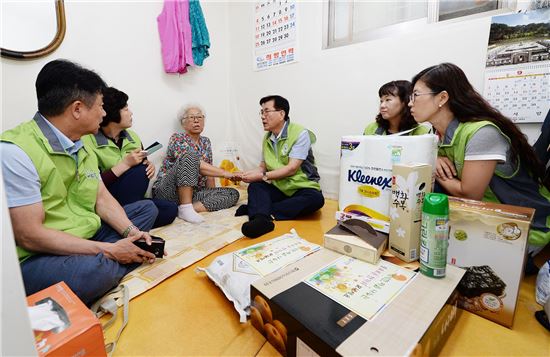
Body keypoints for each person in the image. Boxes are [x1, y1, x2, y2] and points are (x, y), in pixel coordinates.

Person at [0, 59, 161, 306]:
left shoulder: (82, 141)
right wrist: (108, 250)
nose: (105, 113)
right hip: (40, 256)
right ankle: (111, 261)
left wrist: (132, 233)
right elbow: (30, 236)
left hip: (86, 233)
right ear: (77, 109)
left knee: (146, 209)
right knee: (95, 272)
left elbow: (101, 197)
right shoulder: (16, 152)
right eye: (100, 106)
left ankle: (115, 255)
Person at [409, 62, 550, 253]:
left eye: (416, 95)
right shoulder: (433, 134)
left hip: (522, 228)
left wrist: (432, 164)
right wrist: (433, 156)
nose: (410, 103)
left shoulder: (481, 132)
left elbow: (470, 195)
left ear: (442, 98)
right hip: (477, 221)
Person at [81, 87, 177, 228]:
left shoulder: (133, 137)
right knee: (138, 172)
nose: (130, 112)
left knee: (171, 209)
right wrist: (125, 164)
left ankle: (121, 222)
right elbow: (93, 184)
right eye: (125, 109)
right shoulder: (88, 140)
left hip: (133, 200)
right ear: (113, 114)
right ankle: (123, 219)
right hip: (106, 199)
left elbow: (143, 161)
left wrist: (148, 165)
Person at [239, 95, 325, 238]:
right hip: (280, 188)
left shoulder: (300, 133)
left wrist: (262, 176)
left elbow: (292, 169)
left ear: (281, 114)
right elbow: (262, 167)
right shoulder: (267, 138)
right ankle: (262, 220)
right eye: (261, 112)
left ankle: (260, 211)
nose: (262, 116)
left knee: (316, 200)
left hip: (302, 188)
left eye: (267, 111)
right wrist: (244, 175)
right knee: (256, 186)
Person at [152, 105, 240, 223]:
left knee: (232, 193)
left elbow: (209, 174)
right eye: (192, 117)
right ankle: (185, 207)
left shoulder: (206, 141)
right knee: (191, 156)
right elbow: (196, 164)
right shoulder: (177, 138)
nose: (196, 120)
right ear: (183, 123)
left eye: (199, 117)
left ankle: (183, 210)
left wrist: (211, 194)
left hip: (193, 193)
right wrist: (225, 173)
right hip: (168, 191)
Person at [364, 80, 431, 136]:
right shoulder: (371, 129)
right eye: (381, 101)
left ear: (405, 101)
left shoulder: (422, 132)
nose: (382, 105)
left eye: (388, 100)